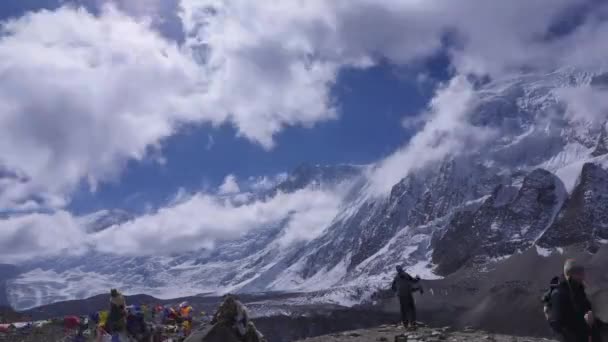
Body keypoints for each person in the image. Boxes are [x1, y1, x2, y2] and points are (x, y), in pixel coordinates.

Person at [550, 259, 602, 342]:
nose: (582, 276)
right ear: (569, 274)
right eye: (579, 273)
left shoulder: (579, 292)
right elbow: (557, 326)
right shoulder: (560, 294)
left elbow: (585, 317)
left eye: (582, 273)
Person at [391, 265, 423, 330]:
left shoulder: (396, 278)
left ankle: (405, 324)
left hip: (401, 296)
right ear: (402, 269)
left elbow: (393, 288)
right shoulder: (406, 275)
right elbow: (414, 281)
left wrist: (398, 291)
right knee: (412, 309)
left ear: (397, 270)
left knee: (403, 310)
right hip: (408, 294)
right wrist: (418, 278)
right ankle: (413, 323)